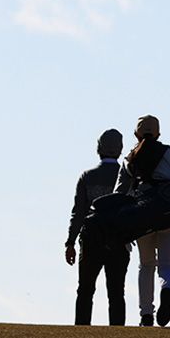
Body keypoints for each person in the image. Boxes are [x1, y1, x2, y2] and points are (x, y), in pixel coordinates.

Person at [114, 114, 170, 327]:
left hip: (142, 218)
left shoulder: (129, 159)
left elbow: (119, 193)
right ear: (159, 133)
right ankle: (168, 288)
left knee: (145, 265)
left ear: (136, 134)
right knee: (167, 264)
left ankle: (146, 314)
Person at [65, 129, 131, 326]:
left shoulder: (87, 176)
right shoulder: (128, 177)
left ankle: (81, 332)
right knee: (116, 292)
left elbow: (78, 213)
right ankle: (118, 335)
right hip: (119, 241)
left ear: (98, 148)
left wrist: (70, 242)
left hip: (91, 240)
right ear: (119, 150)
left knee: (85, 290)